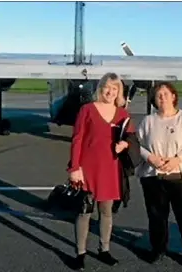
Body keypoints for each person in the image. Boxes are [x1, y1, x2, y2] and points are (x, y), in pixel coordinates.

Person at [67, 72, 133, 270]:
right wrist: (74, 167)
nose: (110, 92)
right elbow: (77, 139)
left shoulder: (123, 114)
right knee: (84, 211)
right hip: (86, 168)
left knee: (106, 212)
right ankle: (80, 253)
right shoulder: (87, 109)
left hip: (110, 169)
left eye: (115, 88)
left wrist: (125, 145)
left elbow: (131, 138)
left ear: (119, 91)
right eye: (107, 87)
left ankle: (104, 249)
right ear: (100, 88)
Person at [136, 81, 182, 269]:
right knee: (157, 217)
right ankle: (158, 249)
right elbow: (137, 144)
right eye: (158, 95)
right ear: (154, 100)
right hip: (154, 177)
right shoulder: (148, 122)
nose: (162, 97)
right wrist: (150, 158)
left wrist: (177, 159)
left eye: (166, 94)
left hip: (181, 177)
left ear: (174, 96)